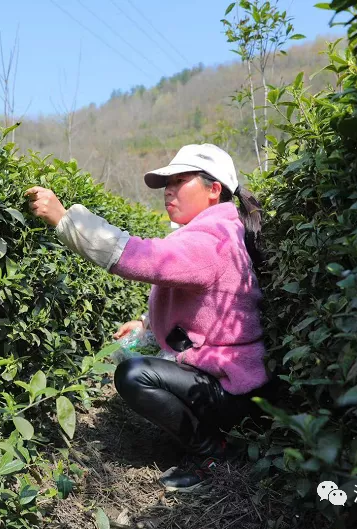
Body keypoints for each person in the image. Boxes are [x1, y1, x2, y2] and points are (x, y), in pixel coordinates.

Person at [26, 144, 271, 491]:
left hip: (231, 389)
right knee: (137, 361)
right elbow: (196, 301)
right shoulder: (216, 233)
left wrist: (67, 220)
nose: (168, 190)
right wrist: (145, 324)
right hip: (229, 381)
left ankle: (212, 454)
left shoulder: (213, 240)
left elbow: (142, 257)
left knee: (134, 374)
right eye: (166, 183)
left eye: (180, 180)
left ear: (214, 189)